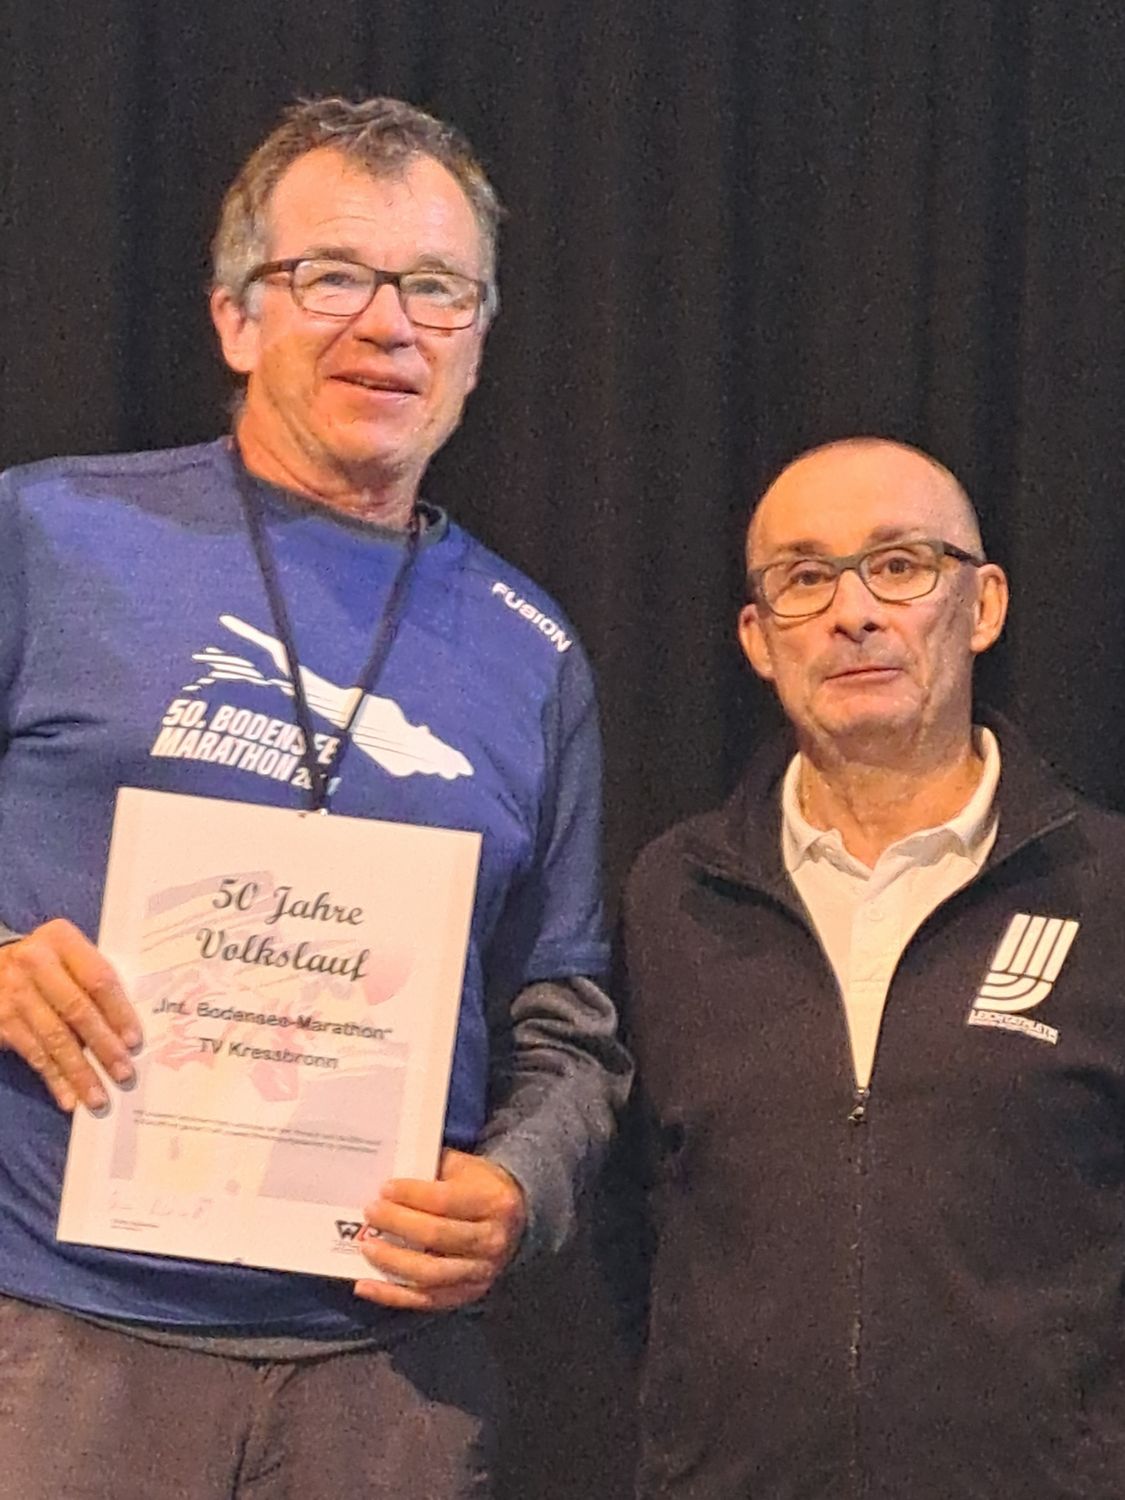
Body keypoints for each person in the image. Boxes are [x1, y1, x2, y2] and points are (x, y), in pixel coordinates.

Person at [0, 96, 629, 1500]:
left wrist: (520, 1191)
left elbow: (569, 1025)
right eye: (332, 276)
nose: (388, 325)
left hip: (384, 1383)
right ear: (236, 318)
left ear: (477, 342)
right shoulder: (46, 535)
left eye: (436, 288)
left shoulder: (533, 652)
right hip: (50, 1344)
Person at [623, 435, 1125, 1498]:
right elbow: (637, 1225)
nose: (852, 613)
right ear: (758, 639)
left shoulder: (1104, 885)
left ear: (983, 605)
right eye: (805, 578)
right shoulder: (677, 892)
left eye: (899, 565)